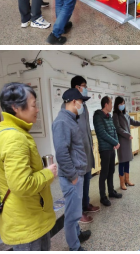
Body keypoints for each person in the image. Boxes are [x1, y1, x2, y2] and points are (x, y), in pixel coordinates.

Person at [0, 83, 57, 250]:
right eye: (33, 105)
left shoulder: (5, 132)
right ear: (16, 107)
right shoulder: (15, 138)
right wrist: (47, 173)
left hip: (27, 216)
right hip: (27, 222)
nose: (37, 110)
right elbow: (21, 184)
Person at [52, 88, 92, 251]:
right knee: (71, 215)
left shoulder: (70, 119)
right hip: (72, 176)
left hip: (77, 173)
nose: (82, 105)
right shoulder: (62, 122)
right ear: (74, 102)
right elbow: (61, 153)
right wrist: (73, 176)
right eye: (81, 102)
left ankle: (77, 235)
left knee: (75, 210)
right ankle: (74, 247)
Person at [61, 76, 100, 223]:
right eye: (84, 86)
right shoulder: (68, 107)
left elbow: (86, 127)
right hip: (78, 153)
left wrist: (90, 142)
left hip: (86, 149)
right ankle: (79, 212)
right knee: (79, 183)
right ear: (77, 87)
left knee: (87, 179)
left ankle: (85, 204)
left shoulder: (83, 105)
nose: (86, 88)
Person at [112, 97, 140, 189]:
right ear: (117, 105)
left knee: (127, 161)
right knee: (122, 161)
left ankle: (127, 180)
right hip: (122, 141)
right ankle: (122, 183)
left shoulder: (126, 114)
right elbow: (118, 128)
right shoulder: (115, 115)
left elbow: (134, 122)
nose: (122, 105)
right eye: (120, 104)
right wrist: (127, 134)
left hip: (127, 141)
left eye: (123, 103)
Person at [93, 96, 121, 206]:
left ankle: (111, 191)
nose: (112, 106)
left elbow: (113, 130)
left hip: (111, 148)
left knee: (111, 170)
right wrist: (115, 142)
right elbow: (102, 133)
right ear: (106, 104)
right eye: (111, 103)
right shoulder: (98, 116)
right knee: (104, 172)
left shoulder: (109, 116)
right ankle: (103, 196)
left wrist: (116, 142)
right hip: (105, 149)